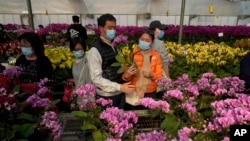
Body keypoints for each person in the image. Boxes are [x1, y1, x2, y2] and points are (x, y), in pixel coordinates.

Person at [87, 13, 135, 109]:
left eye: (114, 28)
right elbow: (96, 79)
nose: (113, 31)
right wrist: (119, 87)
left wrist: (126, 75)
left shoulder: (113, 46)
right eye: (109, 28)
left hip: (119, 93)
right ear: (101, 28)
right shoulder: (95, 50)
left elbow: (114, 68)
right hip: (107, 96)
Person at [122, 30, 163, 100]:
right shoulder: (132, 54)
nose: (144, 42)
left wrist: (152, 75)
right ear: (139, 39)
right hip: (134, 91)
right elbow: (125, 77)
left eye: (147, 40)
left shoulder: (156, 55)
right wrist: (127, 75)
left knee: (148, 110)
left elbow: (159, 77)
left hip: (150, 91)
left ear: (152, 42)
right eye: (142, 39)